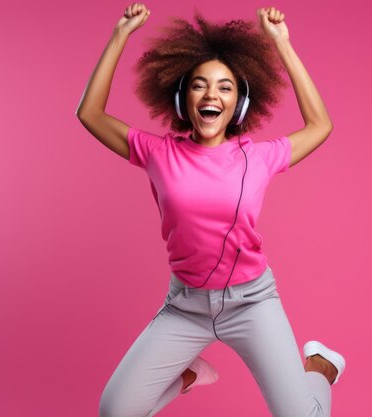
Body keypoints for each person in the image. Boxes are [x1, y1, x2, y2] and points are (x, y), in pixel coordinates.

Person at [76, 3, 346, 416]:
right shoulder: (159, 152)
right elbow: (90, 114)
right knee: (115, 411)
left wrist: (282, 44)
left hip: (252, 303)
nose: (211, 95)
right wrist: (119, 36)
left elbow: (320, 125)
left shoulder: (259, 157)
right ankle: (186, 374)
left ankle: (319, 368)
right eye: (200, 85)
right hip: (185, 306)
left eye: (224, 87)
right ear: (184, 98)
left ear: (239, 103)